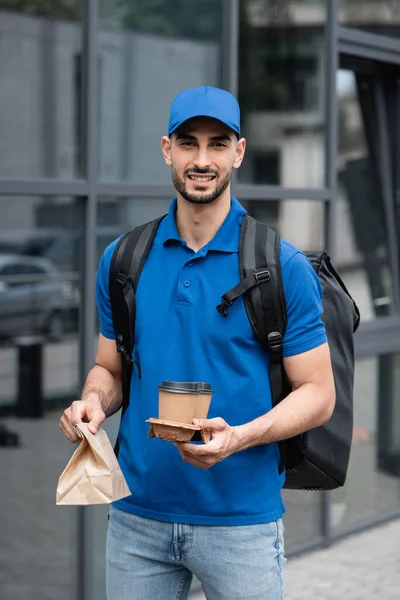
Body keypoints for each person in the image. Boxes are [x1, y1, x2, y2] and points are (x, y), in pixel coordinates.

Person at [59, 86, 335, 600]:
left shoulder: (282, 265)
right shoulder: (124, 259)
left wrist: (241, 437)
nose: (202, 160)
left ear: (239, 151)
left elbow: (319, 393)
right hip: (137, 519)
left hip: (241, 524)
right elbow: (110, 369)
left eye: (217, 143)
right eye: (188, 143)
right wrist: (92, 404)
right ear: (167, 150)